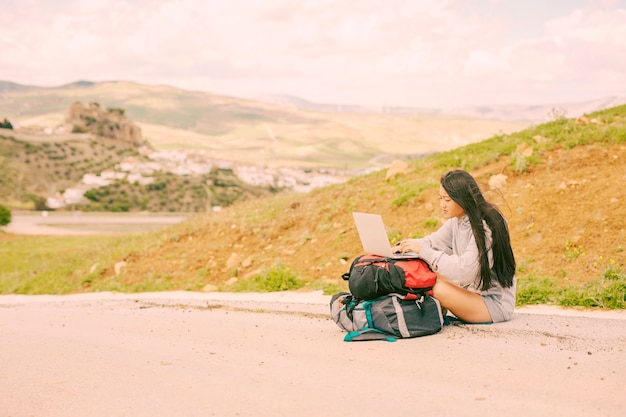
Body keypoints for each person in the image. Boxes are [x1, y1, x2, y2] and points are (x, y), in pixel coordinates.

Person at [393, 169, 516, 323]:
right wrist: (404, 246)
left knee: (436, 287)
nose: (442, 204)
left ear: (463, 198)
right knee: (425, 277)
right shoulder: (457, 221)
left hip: (494, 304)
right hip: (472, 294)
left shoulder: (486, 226)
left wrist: (423, 251)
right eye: (440, 198)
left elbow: (466, 271)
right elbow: (432, 242)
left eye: (448, 200)